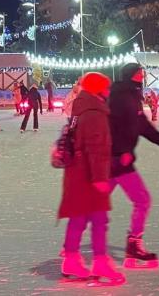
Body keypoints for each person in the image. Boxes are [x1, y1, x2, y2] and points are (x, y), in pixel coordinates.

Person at [109, 64, 159, 269]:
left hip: (120, 159)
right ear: (131, 76)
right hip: (118, 159)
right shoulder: (121, 97)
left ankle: (72, 244)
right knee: (141, 200)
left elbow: (143, 127)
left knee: (98, 199)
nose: (143, 76)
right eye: (140, 73)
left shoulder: (131, 96)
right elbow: (112, 126)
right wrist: (121, 152)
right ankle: (133, 244)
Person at [58, 72, 125, 285]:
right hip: (89, 174)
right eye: (105, 87)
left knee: (79, 217)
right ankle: (100, 262)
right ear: (97, 89)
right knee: (98, 219)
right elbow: (96, 148)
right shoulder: (94, 113)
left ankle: (71, 260)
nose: (108, 91)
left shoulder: (81, 109)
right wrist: (99, 178)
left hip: (77, 172)